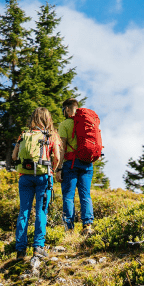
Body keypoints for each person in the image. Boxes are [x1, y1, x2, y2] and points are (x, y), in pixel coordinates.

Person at [11, 107, 61, 260]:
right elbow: (57, 158)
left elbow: (14, 157)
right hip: (43, 176)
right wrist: (51, 169)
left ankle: (20, 250)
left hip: (25, 177)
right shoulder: (51, 135)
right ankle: (38, 247)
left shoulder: (24, 135)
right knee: (41, 211)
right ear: (47, 119)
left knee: (24, 212)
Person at [55, 98, 95, 235]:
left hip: (70, 164)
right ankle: (88, 225)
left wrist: (59, 168)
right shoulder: (86, 122)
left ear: (66, 109)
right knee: (85, 195)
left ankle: (69, 228)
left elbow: (62, 147)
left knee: (68, 196)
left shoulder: (64, 124)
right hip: (87, 163)